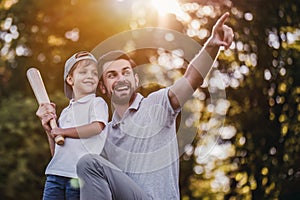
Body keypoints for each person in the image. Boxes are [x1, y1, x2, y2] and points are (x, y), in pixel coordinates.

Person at [37, 12, 233, 200]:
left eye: (126, 72)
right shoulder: (104, 134)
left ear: (136, 79)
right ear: (103, 88)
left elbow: (192, 77)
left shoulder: (157, 105)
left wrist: (213, 45)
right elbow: (67, 160)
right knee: (85, 165)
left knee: (88, 163)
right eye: (112, 75)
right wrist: (50, 131)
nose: (121, 78)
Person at [36, 51, 108, 200]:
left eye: (94, 73)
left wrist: (62, 130)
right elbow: (57, 151)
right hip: (55, 174)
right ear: (70, 79)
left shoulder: (97, 103)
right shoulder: (65, 112)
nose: (90, 76)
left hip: (79, 177)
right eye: (83, 72)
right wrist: (50, 132)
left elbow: (96, 128)